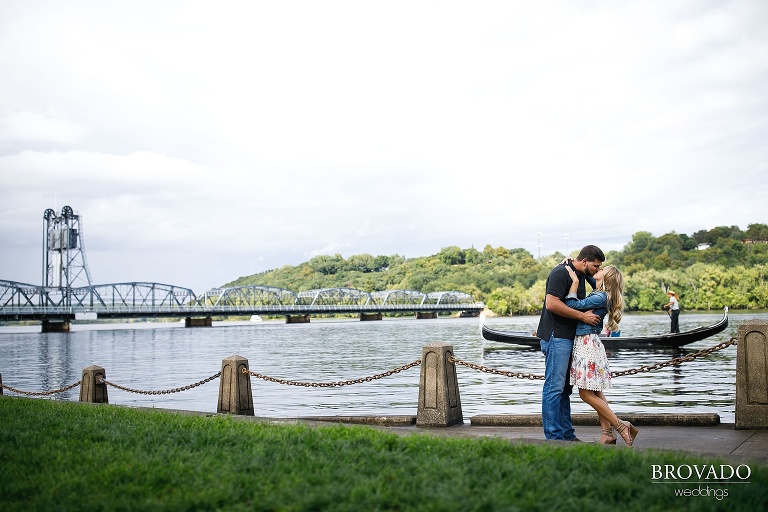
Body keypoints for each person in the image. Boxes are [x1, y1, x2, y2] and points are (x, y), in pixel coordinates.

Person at [564, 265, 639, 446]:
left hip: (586, 344)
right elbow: (592, 278)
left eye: (601, 269)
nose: (597, 269)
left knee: (585, 394)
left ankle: (620, 426)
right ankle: (607, 434)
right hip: (591, 343)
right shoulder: (603, 293)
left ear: (605, 278)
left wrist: (574, 281)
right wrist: (579, 270)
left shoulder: (599, 296)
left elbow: (571, 305)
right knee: (596, 392)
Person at [536, 245, 604, 441]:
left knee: (566, 389)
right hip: (556, 336)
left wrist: (576, 264)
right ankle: (554, 438)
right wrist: (582, 317)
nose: (597, 270)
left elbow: (601, 284)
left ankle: (567, 435)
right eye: (595, 266)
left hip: (569, 338)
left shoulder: (581, 273)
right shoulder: (560, 272)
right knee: (554, 387)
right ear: (585, 261)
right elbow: (552, 304)